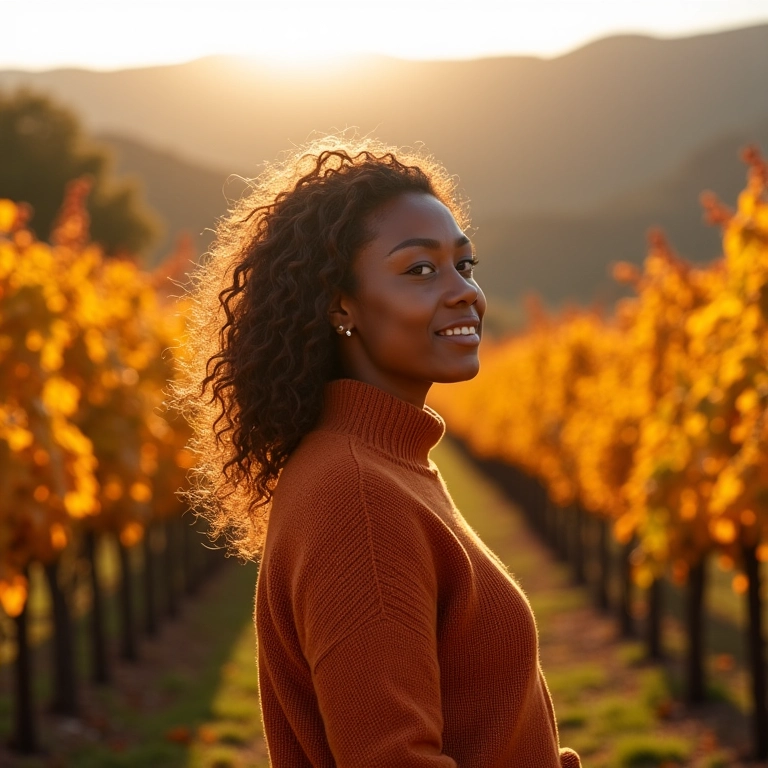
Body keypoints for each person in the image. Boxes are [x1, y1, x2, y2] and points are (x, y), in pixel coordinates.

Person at [174, 136, 581, 767]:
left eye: (464, 265)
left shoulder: (385, 465)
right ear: (342, 305)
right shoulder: (357, 498)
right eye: (420, 270)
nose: (464, 292)